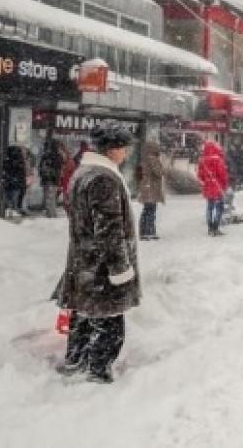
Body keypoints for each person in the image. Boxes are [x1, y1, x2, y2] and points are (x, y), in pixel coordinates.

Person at [56, 122, 140, 384]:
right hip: (101, 268)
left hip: (83, 261)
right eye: (123, 147)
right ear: (111, 149)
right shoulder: (104, 179)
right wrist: (120, 269)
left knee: (83, 315)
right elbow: (110, 231)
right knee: (108, 322)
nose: (126, 153)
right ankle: (98, 372)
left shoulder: (83, 173)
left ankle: (75, 361)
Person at [196, 140, 229, 236]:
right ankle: (216, 227)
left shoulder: (202, 161)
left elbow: (200, 176)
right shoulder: (218, 159)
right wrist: (225, 186)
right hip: (218, 187)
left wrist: (206, 182)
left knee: (209, 207)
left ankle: (210, 228)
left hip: (208, 187)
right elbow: (223, 175)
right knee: (219, 207)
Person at [137, 140, 165, 240]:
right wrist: (162, 166)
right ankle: (150, 232)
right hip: (151, 188)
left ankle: (143, 232)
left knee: (146, 210)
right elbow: (159, 172)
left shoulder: (144, 160)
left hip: (146, 187)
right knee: (151, 211)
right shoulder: (153, 159)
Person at [38, 136, 64, 218]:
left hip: (47, 179)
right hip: (53, 179)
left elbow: (41, 167)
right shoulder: (57, 156)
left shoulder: (46, 155)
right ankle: (52, 213)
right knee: (52, 197)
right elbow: (60, 166)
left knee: (48, 197)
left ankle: (50, 213)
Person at [2, 144, 30, 218]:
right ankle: (15, 210)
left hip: (10, 184)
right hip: (17, 184)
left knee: (9, 199)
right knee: (16, 199)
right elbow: (22, 173)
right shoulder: (20, 161)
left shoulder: (7, 160)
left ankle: (11, 210)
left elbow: (6, 171)